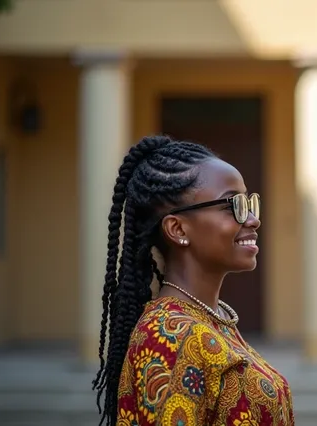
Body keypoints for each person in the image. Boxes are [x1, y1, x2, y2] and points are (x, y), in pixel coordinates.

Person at [92, 135, 294, 426]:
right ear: (177, 228)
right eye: (232, 205)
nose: (252, 219)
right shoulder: (169, 336)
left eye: (249, 203)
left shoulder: (212, 319)